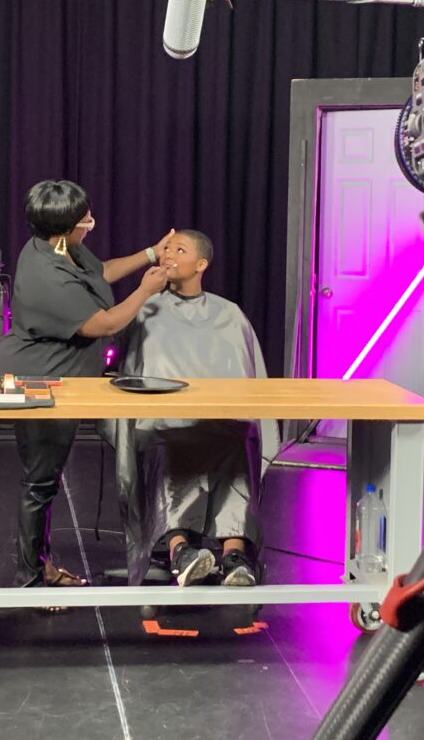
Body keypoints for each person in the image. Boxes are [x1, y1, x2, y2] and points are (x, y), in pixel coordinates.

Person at [0, 180, 170, 589]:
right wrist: (146, 289)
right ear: (64, 228)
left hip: (63, 378)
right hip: (38, 380)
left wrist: (149, 255)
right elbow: (103, 323)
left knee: (46, 480)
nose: (91, 224)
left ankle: (41, 565)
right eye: (84, 220)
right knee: (40, 482)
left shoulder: (56, 247)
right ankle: (32, 579)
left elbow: (100, 273)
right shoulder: (45, 275)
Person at [107, 230, 278, 587]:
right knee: (168, 444)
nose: (167, 255)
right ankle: (181, 551)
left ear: (201, 264)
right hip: (164, 423)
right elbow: (129, 367)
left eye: (178, 249)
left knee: (239, 438)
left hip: (219, 420)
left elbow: (250, 380)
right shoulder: (145, 308)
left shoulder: (229, 314)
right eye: (165, 248)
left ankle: (234, 555)